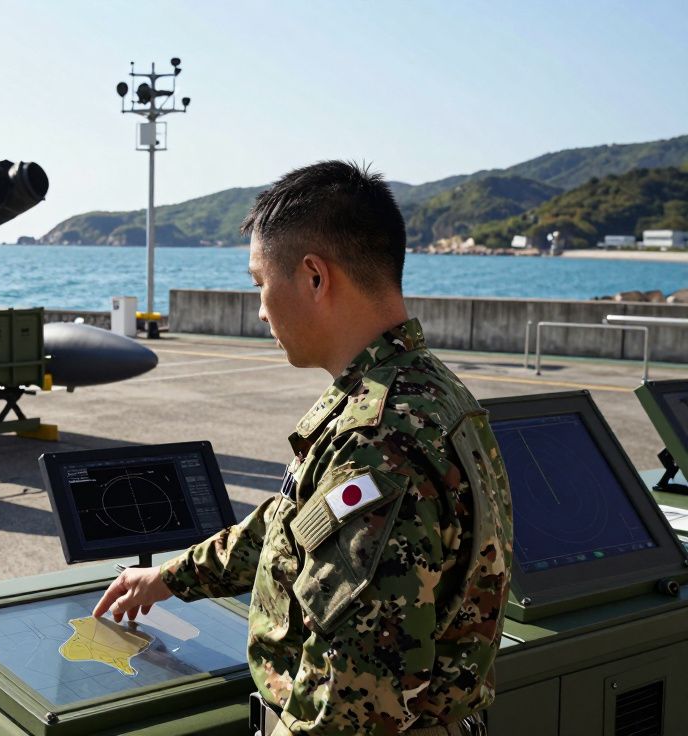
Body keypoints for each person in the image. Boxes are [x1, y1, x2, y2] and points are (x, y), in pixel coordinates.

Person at [92, 161, 512, 736]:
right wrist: (171, 578)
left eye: (260, 282)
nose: (261, 308)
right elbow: (297, 528)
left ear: (314, 277)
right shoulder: (428, 392)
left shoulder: (379, 441)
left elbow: (352, 705)